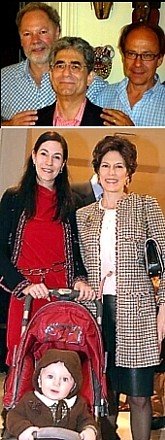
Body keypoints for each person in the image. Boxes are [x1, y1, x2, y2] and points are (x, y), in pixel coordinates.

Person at [76, 135, 165, 440]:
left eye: (119, 166)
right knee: (103, 396)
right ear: (97, 171)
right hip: (97, 315)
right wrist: (84, 282)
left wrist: (163, 309)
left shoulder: (144, 206)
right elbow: (78, 267)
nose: (111, 172)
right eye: (105, 165)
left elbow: (164, 260)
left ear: (129, 173)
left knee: (140, 396)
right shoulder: (83, 215)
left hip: (138, 314)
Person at [0, 130, 95, 369]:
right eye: (44, 154)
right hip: (26, 292)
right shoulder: (13, 198)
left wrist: (81, 280)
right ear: (33, 157)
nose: (49, 162)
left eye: (56, 157)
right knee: (23, 357)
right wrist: (24, 285)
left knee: (58, 362)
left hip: (59, 292)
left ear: (63, 164)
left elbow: (76, 250)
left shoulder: (73, 202)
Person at [1, 2, 108, 126]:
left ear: (57, 32)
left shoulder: (92, 83)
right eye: (27, 34)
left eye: (43, 32)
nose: (35, 41)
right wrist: (7, 126)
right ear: (20, 39)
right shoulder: (4, 80)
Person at [6, 348, 97, 440]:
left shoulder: (78, 404)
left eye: (65, 379)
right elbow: (14, 417)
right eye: (50, 377)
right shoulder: (29, 400)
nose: (56, 383)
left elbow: (86, 421)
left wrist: (89, 430)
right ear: (39, 380)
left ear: (74, 385)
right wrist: (24, 429)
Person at [91, 22, 165, 126]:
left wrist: (132, 132)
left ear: (159, 59)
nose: (138, 63)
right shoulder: (100, 95)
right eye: (131, 54)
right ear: (123, 56)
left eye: (147, 55)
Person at [36, 37, 104, 126]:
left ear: (89, 77)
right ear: (51, 75)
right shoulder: (34, 122)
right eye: (60, 66)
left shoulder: (106, 123)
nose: (66, 73)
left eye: (75, 67)